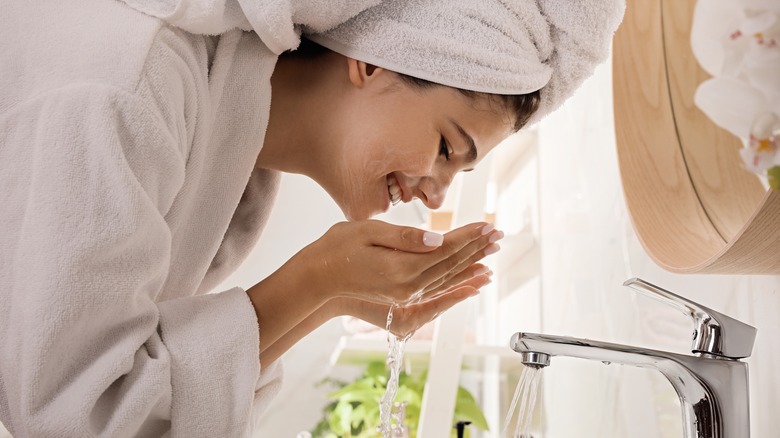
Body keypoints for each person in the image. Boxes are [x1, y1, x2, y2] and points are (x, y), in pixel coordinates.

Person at [0, 0, 624, 436]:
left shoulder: (240, 171)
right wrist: (317, 282)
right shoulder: (133, 85)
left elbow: (133, 390)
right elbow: (69, 409)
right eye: (445, 148)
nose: (436, 194)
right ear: (377, 60)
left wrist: (331, 299)